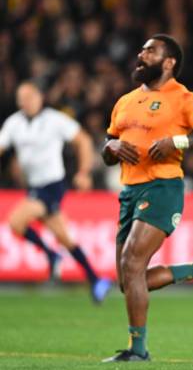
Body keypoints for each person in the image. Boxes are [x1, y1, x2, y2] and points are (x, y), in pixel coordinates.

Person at [101, 34, 193, 362]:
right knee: (128, 280)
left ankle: (138, 350)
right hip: (129, 190)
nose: (141, 55)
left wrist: (179, 142)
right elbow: (108, 146)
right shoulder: (126, 101)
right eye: (142, 49)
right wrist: (111, 147)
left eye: (150, 50)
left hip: (163, 187)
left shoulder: (183, 98)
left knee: (132, 263)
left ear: (169, 62)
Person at [0, 81, 112, 303]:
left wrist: (84, 172)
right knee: (64, 237)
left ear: (40, 97)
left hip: (52, 185)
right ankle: (96, 279)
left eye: (30, 97)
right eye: (21, 98)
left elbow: (83, 140)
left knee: (16, 222)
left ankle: (52, 255)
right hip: (34, 186)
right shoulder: (14, 123)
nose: (26, 102)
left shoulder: (54, 119)